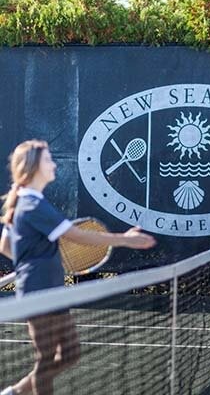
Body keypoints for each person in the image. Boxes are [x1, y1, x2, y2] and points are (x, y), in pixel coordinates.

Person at [0, 139, 156, 395]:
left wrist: (29, 260)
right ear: (33, 166)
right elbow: (78, 236)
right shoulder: (32, 205)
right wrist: (124, 240)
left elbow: (5, 244)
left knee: (70, 353)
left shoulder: (30, 203)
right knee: (47, 358)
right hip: (38, 293)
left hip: (52, 290)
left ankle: (15, 392)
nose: (54, 164)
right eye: (48, 159)